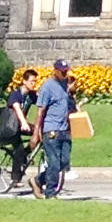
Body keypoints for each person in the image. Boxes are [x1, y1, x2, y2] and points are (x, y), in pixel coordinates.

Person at [34, 59, 76, 199]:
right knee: (54, 162)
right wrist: (36, 133)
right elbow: (41, 111)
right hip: (51, 129)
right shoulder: (48, 86)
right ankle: (50, 192)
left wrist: (72, 90)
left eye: (66, 71)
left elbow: (70, 100)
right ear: (55, 71)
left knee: (64, 162)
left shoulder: (66, 84)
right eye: (62, 71)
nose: (65, 73)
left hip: (64, 129)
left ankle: (37, 180)